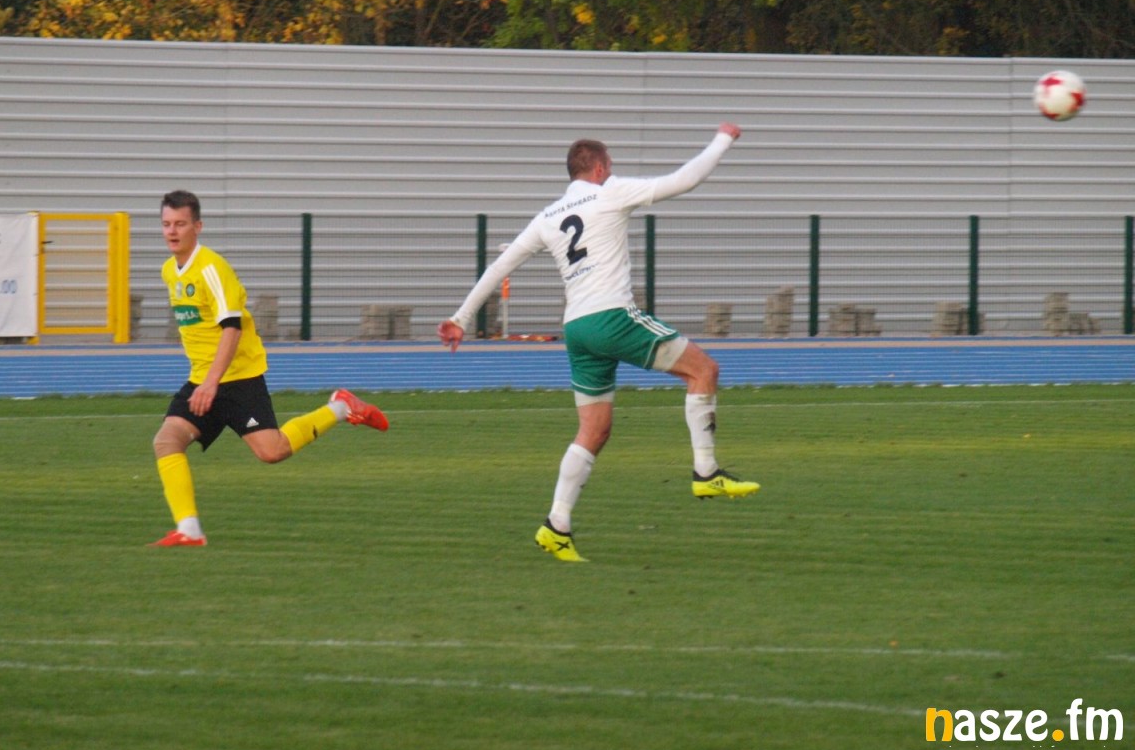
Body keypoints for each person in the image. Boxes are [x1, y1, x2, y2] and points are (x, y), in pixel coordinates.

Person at [439, 124, 759, 562]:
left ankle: (556, 526)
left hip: (577, 330)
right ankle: (706, 472)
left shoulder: (548, 216)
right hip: (612, 318)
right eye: (609, 167)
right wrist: (722, 139)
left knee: (594, 430)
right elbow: (685, 179)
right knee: (704, 371)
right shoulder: (609, 193)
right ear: (600, 168)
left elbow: (500, 266)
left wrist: (460, 318)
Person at [150, 189, 388, 547]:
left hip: (238, 378)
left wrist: (212, 383)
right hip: (202, 381)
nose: (172, 231)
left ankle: (340, 407)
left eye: (180, 224)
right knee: (167, 441)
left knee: (272, 451)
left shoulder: (211, 268)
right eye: (167, 224)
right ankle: (189, 530)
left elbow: (231, 328)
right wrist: (205, 381)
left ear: (197, 226)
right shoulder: (170, 271)